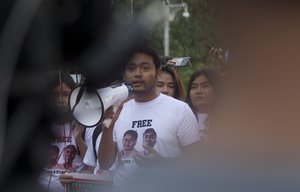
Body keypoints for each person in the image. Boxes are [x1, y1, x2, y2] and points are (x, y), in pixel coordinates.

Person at [98, 44, 200, 186]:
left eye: (145, 68)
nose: (137, 74)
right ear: (124, 74)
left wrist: (161, 162)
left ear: (157, 73)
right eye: (131, 68)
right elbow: (105, 164)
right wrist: (107, 126)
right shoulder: (119, 111)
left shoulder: (180, 109)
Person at [39, 71, 88, 192]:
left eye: (66, 94)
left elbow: (90, 165)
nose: (60, 100)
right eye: (55, 95)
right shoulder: (40, 125)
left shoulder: (84, 124)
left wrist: (78, 139)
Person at [185, 69, 222, 138]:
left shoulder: (230, 119)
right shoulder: (182, 119)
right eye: (194, 87)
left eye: (205, 86)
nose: (198, 91)